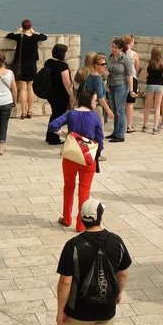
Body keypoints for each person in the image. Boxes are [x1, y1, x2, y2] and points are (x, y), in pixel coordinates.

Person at [56, 198, 131, 325]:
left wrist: (60, 311)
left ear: (82, 219)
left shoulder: (73, 245)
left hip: (77, 311)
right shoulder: (116, 241)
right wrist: (118, 293)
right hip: (105, 310)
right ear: (101, 217)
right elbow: (124, 272)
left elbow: (65, 282)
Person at [49, 90, 104, 231]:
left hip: (71, 156)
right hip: (87, 158)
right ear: (88, 100)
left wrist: (66, 135)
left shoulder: (71, 113)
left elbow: (53, 125)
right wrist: (97, 152)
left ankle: (67, 218)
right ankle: (81, 224)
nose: (96, 102)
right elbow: (100, 140)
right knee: (84, 190)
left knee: (68, 187)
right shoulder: (95, 116)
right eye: (94, 100)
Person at [5, 20, 48, 120]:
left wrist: (18, 31)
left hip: (22, 65)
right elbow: (44, 37)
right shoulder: (35, 37)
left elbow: (8, 35)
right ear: (30, 26)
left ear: (22, 27)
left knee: (23, 88)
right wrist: (34, 32)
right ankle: (30, 111)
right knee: (30, 88)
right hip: (32, 65)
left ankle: (23, 112)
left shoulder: (20, 37)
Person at [44, 43, 75, 145]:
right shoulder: (62, 66)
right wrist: (71, 95)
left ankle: (50, 136)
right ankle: (53, 138)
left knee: (55, 113)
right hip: (61, 94)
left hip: (51, 93)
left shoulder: (48, 62)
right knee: (58, 115)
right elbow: (66, 83)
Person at [106, 37, 135, 142]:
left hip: (121, 86)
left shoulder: (125, 59)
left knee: (120, 111)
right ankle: (115, 132)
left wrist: (131, 90)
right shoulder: (110, 57)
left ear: (121, 49)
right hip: (111, 86)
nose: (113, 49)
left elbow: (130, 75)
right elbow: (108, 71)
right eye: (112, 47)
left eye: (116, 47)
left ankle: (120, 135)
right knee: (114, 110)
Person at [80, 52, 114, 128]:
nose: (104, 66)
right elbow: (100, 97)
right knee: (98, 130)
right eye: (102, 64)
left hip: (89, 105)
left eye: (105, 64)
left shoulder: (90, 75)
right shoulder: (97, 78)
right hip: (97, 107)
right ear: (96, 65)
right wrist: (108, 110)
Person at [141, 46, 163, 134]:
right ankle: (155, 128)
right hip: (160, 86)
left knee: (147, 106)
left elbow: (144, 77)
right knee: (157, 107)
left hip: (150, 85)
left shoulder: (148, 64)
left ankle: (144, 125)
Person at [122, 34, 141, 133]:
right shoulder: (133, 54)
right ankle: (129, 125)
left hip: (121, 79)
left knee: (121, 102)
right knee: (130, 104)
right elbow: (137, 67)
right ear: (130, 42)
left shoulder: (121, 53)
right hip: (132, 78)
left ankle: (121, 124)